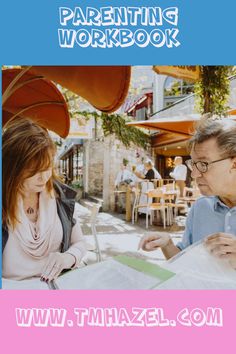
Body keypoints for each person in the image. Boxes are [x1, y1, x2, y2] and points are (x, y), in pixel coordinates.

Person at [139, 118, 236, 269]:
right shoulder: (200, 207)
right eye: (193, 164)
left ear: (234, 163)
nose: (194, 174)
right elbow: (184, 263)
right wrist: (167, 244)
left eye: (203, 164)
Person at [2, 118, 87, 282]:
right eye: (33, 171)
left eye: (47, 167)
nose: (43, 177)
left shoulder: (60, 196)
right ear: (12, 167)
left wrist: (67, 258)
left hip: (56, 290)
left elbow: (80, 243)